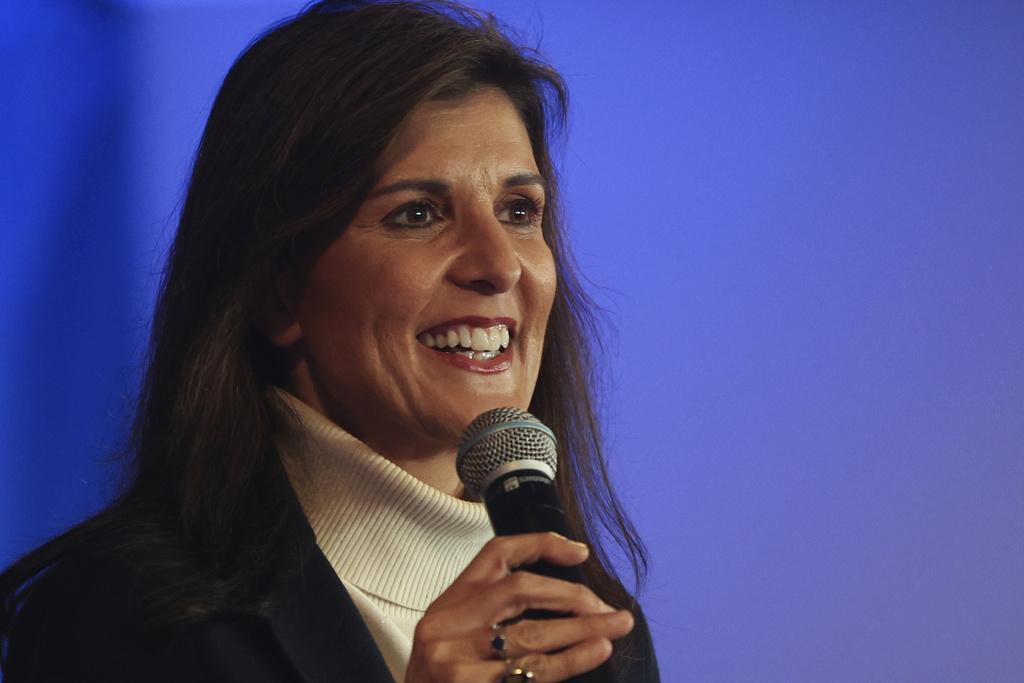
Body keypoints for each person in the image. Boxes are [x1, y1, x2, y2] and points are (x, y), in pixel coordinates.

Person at [0, 1, 659, 681]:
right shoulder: (120, 616)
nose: (499, 265)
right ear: (276, 288)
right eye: (418, 214)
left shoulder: (602, 636)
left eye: (518, 211)